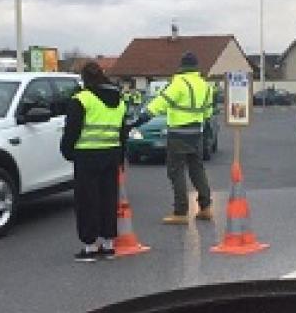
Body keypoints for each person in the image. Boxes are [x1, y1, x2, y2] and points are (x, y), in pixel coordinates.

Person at [132, 51, 213, 224]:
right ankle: (206, 207)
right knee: (197, 169)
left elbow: (160, 103)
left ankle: (181, 212)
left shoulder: (178, 83)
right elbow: (208, 113)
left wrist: (143, 117)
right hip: (197, 133)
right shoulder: (205, 86)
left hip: (178, 133)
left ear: (182, 66)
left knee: (176, 171)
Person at [60, 62, 128, 262]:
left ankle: (89, 247)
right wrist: (121, 157)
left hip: (87, 156)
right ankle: (108, 245)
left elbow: (72, 130)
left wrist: (67, 151)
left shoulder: (82, 100)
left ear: (84, 78)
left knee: (87, 201)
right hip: (111, 154)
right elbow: (122, 132)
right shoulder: (119, 100)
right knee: (108, 199)